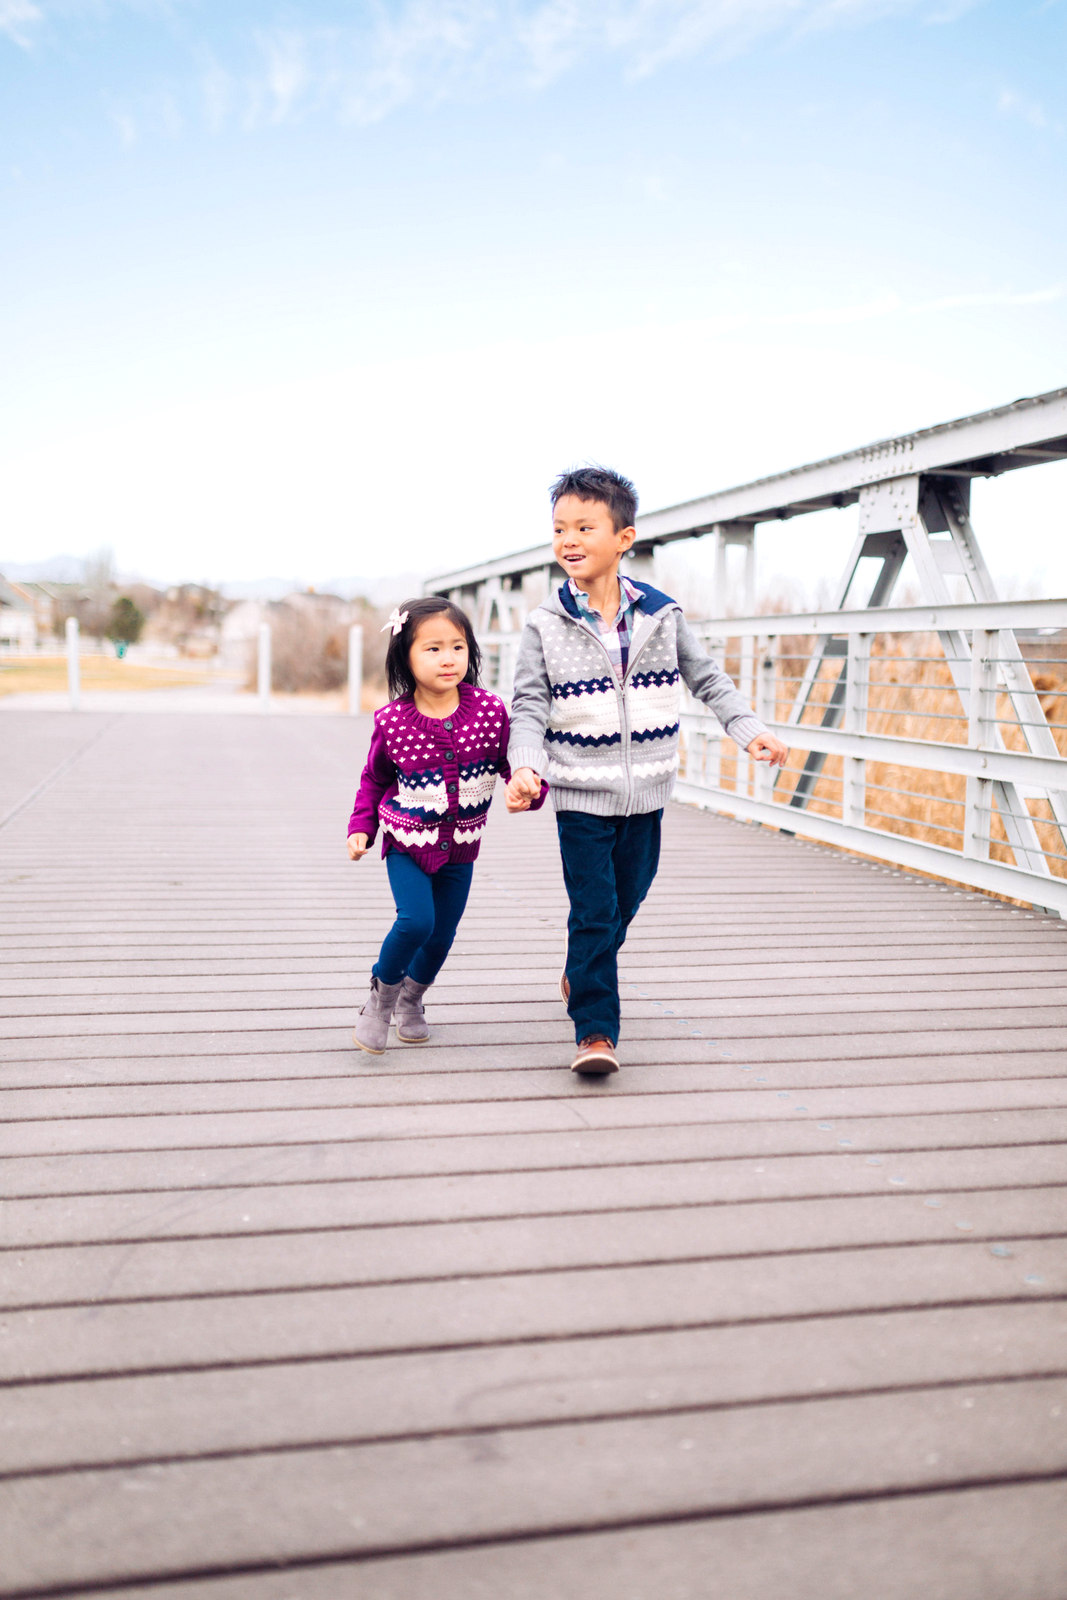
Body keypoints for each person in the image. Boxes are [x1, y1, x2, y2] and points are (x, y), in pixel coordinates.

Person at [506, 465, 789, 1076]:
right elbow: (528, 704)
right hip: (580, 791)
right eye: (559, 529)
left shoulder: (662, 614)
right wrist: (526, 767)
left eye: (585, 526)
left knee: (624, 902)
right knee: (594, 910)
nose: (569, 540)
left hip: (649, 791)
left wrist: (750, 730)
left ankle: (580, 966)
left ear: (624, 539)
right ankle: (596, 1031)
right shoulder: (544, 624)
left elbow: (707, 677)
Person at [347, 596, 545, 1054]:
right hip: (406, 841)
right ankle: (380, 1000)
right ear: (406, 657)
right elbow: (375, 778)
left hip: (462, 845)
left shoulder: (490, 712)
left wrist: (527, 786)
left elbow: (511, 764)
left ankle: (413, 1001)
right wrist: (362, 826)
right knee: (416, 922)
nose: (448, 658)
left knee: (442, 934)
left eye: (457, 646)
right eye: (432, 649)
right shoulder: (393, 721)